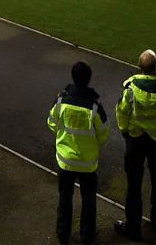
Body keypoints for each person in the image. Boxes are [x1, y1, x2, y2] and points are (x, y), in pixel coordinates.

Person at [115, 49, 156, 241]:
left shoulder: (130, 87)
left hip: (135, 138)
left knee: (134, 185)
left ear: (139, 66)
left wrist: (124, 131)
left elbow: (122, 111)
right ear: (155, 67)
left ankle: (133, 227)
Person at [47, 60, 108, 245]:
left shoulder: (61, 101)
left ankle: (62, 233)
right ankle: (87, 235)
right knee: (89, 198)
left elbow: (51, 123)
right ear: (88, 79)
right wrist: (94, 147)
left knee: (65, 196)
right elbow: (104, 132)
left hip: (65, 159)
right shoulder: (95, 106)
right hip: (87, 162)